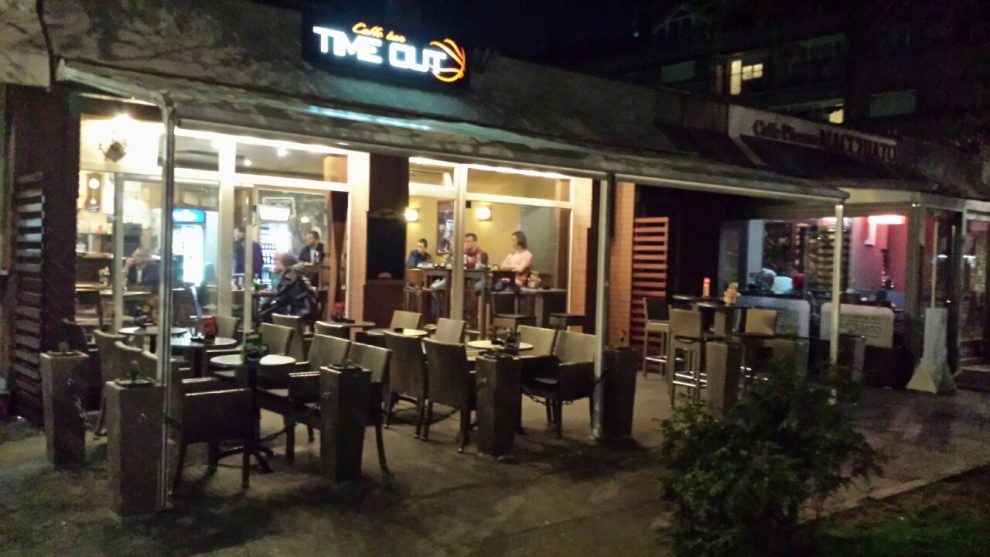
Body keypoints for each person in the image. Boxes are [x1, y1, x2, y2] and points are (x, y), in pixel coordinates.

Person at [260, 252, 317, 321]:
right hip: (300, 308)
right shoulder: (295, 271)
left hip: (299, 310)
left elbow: (278, 291)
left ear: (283, 261)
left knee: (263, 316)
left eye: (276, 259)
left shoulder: (292, 272)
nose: (274, 262)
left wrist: (259, 292)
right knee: (265, 312)